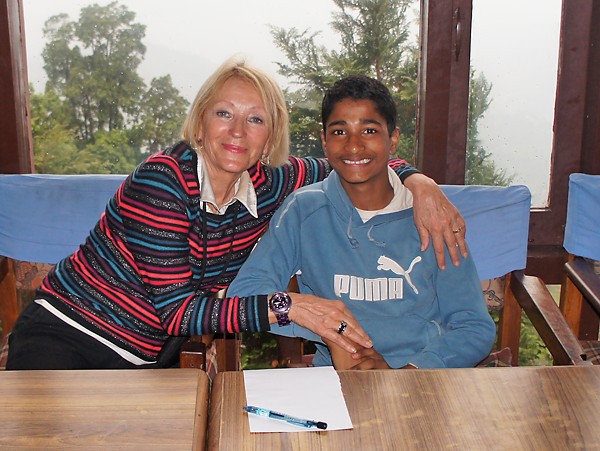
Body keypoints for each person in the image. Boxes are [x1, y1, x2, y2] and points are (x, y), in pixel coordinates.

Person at [6, 57, 467, 370]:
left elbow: (352, 160)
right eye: (224, 113)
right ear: (200, 122)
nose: (238, 132)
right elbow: (178, 314)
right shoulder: (163, 181)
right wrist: (292, 306)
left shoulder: (270, 183)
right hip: (68, 337)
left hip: (147, 361)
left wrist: (419, 183)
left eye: (256, 119)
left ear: (270, 137)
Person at [229, 75, 496, 369]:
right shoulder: (303, 211)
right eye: (339, 131)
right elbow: (246, 295)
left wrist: (410, 372)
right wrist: (321, 325)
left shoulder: (432, 216)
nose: (354, 146)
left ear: (393, 139)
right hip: (335, 376)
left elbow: (473, 326)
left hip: (424, 377)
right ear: (325, 141)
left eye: (369, 130)